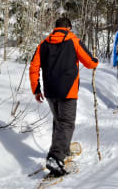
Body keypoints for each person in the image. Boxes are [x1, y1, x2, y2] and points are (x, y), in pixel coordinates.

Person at [29, 17, 98, 176]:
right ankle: (56, 158)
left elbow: (34, 67)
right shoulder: (74, 40)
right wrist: (95, 60)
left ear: (55, 28)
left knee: (59, 122)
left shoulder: (44, 43)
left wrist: (36, 89)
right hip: (68, 90)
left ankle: (63, 149)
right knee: (66, 123)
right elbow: (89, 63)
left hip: (50, 91)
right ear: (69, 27)